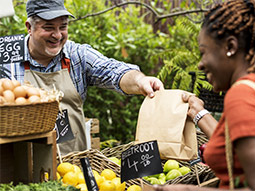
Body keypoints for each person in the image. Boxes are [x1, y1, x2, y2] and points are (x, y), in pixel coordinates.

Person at [2, 0, 164, 156]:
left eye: (63, 27)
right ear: (29, 27)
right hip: (21, 169)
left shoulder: (76, 55)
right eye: (48, 27)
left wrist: (140, 81)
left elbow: (113, 71)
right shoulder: (6, 57)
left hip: (74, 169)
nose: (57, 35)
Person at [153, 0, 255, 190]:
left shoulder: (240, 94)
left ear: (230, 47)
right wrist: (198, 112)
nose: (200, 64)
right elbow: (232, 145)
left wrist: (188, 189)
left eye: (203, 52)